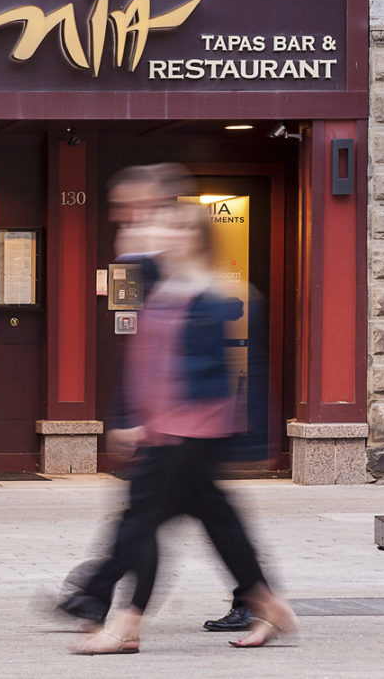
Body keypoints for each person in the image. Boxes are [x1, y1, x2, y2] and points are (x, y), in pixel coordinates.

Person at [69, 166, 297, 654]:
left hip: (195, 429)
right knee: (217, 521)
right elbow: (141, 361)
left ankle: (124, 622)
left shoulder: (220, 297)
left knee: (141, 521)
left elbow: (249, 374)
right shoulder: (160, 288)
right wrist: (129, 417)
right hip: (161, 430)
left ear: (199, 239)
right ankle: (267, 604)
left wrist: (256, 441)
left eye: (177, 227)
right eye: (164, 226)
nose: (163, 234)